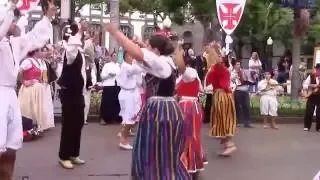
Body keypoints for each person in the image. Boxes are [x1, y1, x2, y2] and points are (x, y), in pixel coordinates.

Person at [104, 23, 191, 179]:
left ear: (156, 50)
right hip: (170, 109)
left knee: (153, 150)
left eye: (149, 46)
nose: (146, 49)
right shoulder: (167, 61)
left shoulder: (160, 63)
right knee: (166, 152)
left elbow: (139, 53)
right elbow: (148, 53)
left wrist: (116, 33)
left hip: (160, 111)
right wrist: (144, 43)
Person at [0, 0, 55, 179]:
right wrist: (11, 9)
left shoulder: (15, 43)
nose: (16, 22)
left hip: (10, 96)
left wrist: (47, 16)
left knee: (12, 146)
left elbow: (35, 37)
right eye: (12, 21)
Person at [57, 22, 87, 169]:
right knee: (69, 125)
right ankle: (63, 156)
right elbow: (72, 50)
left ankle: (74, 153)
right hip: (69, 93)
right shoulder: (69, 52)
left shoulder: (78, 51)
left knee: (78, 123)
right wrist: (78, 32)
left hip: (78, 93)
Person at [175, 47, 207, 175]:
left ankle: (189, 163)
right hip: (188, 105)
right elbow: (201, 90)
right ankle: (189, 161)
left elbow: (182, 69)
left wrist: (178, 51)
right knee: (187, 135)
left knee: (189, 135)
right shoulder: (186, 76)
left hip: (188, 107)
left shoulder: (190, 73)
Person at [205, 42, 237, 156]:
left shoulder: (220, 67)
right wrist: (212, 50)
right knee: (221, 119)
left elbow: (216, 61)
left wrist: (213, 49)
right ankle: (226, 145)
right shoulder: (217, 67)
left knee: (223, 119)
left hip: (222, 96)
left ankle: (230, 144)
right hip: (221, 95)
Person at [18, 49, 54, 131]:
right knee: (29, 108)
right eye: (40, 51)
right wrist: (24, 82)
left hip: (37, 88)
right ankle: (28, 127)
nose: (41, 52)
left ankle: (35, 126)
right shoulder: (27, 61)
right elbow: (19, 72)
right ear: (35, 52)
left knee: (37, 108)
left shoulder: (36, 61)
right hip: (29, 89)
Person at [117, 52, 142, 150]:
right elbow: (137, 69)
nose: (133, 58)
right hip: (127, 94)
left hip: (132, 93)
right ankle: (123, 140)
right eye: (132, 56)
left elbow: (139, 80)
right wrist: (139, 61)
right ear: (127, 57)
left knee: (133, 117)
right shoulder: (126, 67)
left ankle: (123, 135)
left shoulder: (130, 67)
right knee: (129, 118)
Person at [99, 52, 121, 125]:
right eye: (114, 56)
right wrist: (109, 75)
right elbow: (102, 76)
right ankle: (103, 118)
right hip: (108, 85)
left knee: (116, 103)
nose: (115, 57)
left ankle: (114, 118)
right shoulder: (107, 65)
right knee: (106, 102)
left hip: (117, 85)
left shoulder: (119, 65)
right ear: (111, 57)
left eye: (116, 56)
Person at [231, 60, 253, 128]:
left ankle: (247, 122)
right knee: (237, 106)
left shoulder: (244, 71)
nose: (238, 66)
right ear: (234, 65)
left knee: (246, 106)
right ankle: (237, 121)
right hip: (238, 90)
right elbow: (231, 80)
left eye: (239, 64)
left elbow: (249, 78)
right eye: (237, 64)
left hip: (245, 90)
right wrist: (235, 76)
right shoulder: (232, 72)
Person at [83, 32, 97, 125]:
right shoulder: (81, 66)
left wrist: (92, 84)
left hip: (87, 88)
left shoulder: (91, 67)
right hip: (80, 88)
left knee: (87, 104)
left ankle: (84, 118)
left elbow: (93, 76)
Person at [302, 64, 320, 131]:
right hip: (311, 95)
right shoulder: (311, 76)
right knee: (309, 111)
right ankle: (306, 126)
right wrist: (312, 86)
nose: (318, 71)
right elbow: (305, 84)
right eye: (317, 69)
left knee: (319, 113)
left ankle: (318, 127)